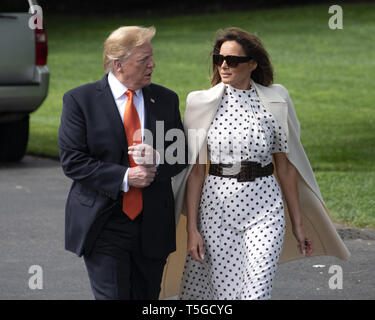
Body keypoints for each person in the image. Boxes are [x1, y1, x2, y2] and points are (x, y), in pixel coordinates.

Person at [162, 27, 350, 300]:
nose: (224, 65)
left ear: (252, 64)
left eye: (233, 60)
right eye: (219, 58)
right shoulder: (199, 102)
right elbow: (195, 173)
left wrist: (298, 224)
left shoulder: (277, 99)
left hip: (266, 208)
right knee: (227, 294)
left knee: (257, 292)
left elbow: (285, 167)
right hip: (217, 210)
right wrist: (192, 231)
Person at [58, 26, 187, 300]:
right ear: (118, 64)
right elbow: (73, 161)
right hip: (104, 221)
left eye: (151, 57)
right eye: (143, 60)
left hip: (152, 223)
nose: (152, 64)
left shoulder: (165, 99)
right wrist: (126, 177)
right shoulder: (80, 101)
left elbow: (181, 155)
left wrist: (158, 159)